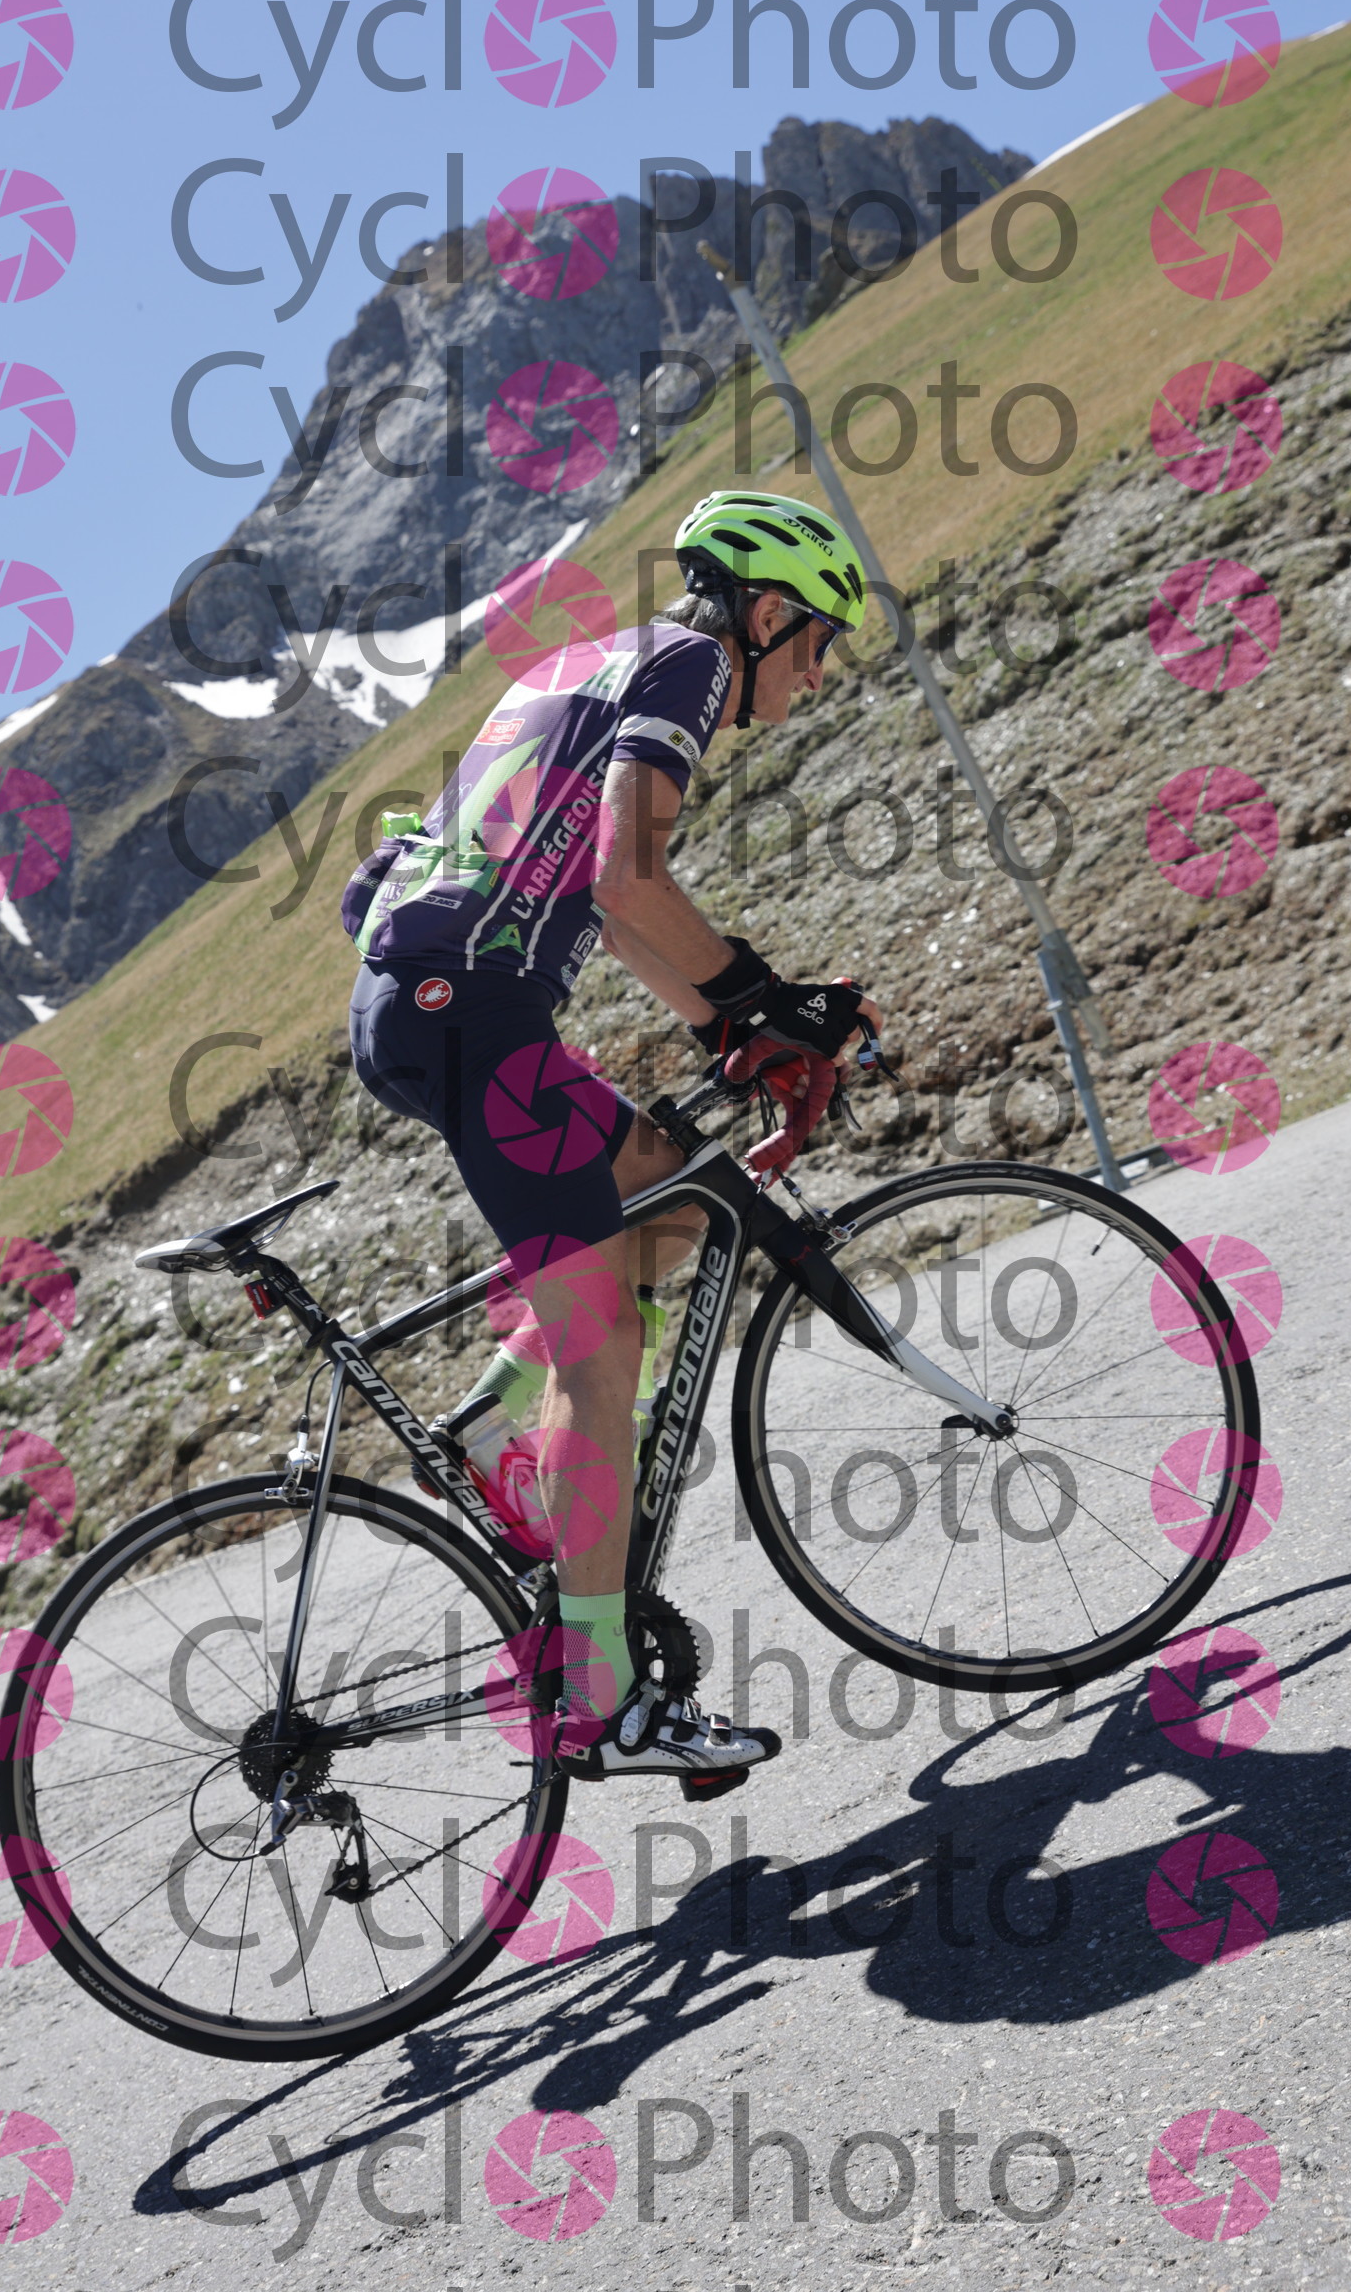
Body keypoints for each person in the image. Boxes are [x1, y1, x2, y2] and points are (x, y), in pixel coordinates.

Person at [343, 490, 884, 1794]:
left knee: (678, 1200)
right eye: (817, 643)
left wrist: (732, 1024)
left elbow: (602, 903)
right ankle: (602, 1701)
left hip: (431, 1000)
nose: (814, 676)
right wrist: (774, 1001)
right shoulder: (691, 665)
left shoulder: (586, 661)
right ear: (766, 613)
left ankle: (497, 1430)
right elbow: (626, 881)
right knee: (605, 1350)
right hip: (468, 1012)